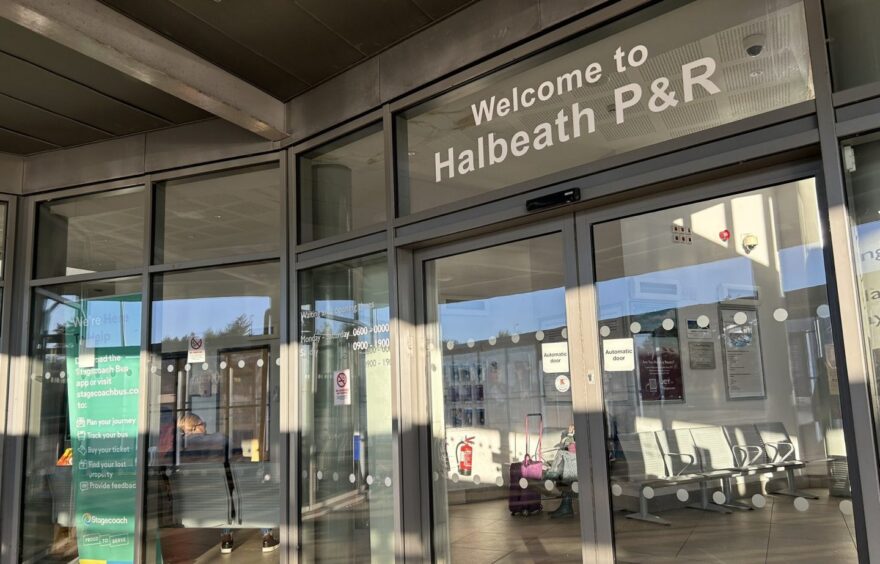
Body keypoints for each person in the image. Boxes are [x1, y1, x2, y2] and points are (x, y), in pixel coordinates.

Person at [177, 413, 280, 554]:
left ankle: (226, 538)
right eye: (203, 424)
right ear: (195, 427)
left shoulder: (178, 447)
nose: (205, 426)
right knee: (253, 489)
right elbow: (238, 458)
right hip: (225, 488)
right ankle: (267, 536)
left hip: (199, 496)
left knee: (223, 495)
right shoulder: (219, 440)